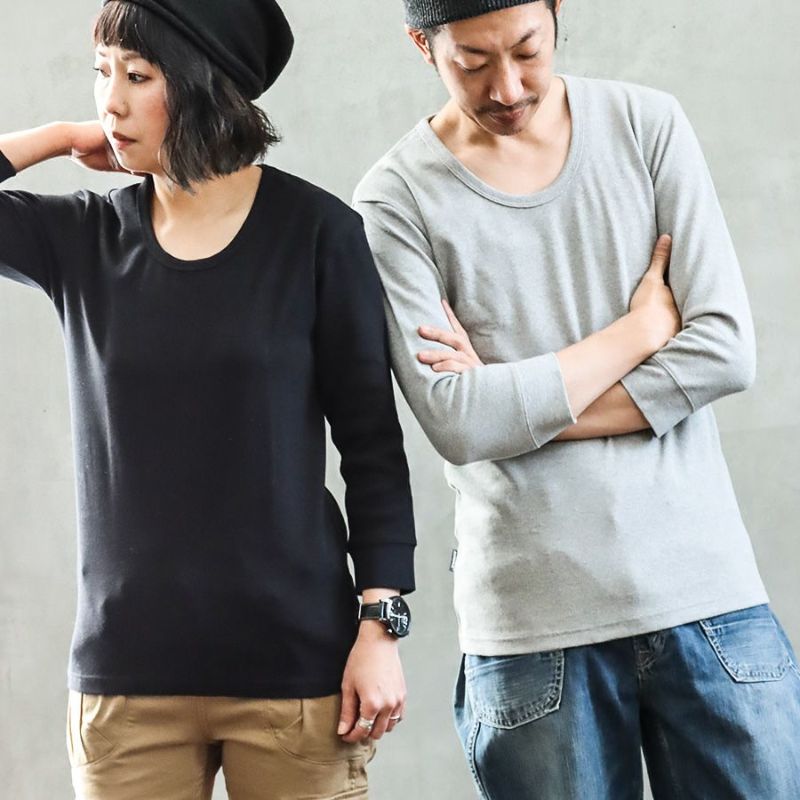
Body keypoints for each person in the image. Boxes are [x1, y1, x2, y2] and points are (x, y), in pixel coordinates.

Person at [353, 1, 800, 798]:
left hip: (707, 594)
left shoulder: (646, 126)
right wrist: (639, 331)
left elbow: (724, 350)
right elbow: (459, 420)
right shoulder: (395, 198)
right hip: (531, 628)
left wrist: (519, 410)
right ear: (422, 46)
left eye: (528, 49)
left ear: (557, 14)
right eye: (473, 63)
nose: (507, 87)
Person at [0, 1, 417, 798]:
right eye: (102, 74)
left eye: (138, 76)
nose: (111, 102)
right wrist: (57, 137)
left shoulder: (318, 233)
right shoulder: (85, 240)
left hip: (296, 676)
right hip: (128, 682)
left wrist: (380, 624)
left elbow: (371, 447)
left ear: (200, 85)